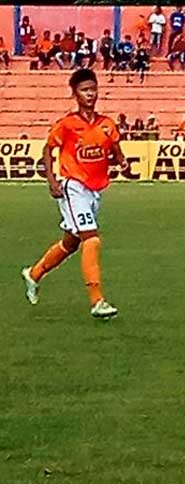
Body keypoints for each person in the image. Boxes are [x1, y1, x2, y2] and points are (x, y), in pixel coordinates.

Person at [21, 69, 127, 318]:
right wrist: (51, 180)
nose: (90, 94)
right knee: (92, 238)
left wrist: (122, 161)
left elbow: (115, 146)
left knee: (70, 242)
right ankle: (97, 300)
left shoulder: (106, 124)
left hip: (94, 189)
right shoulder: (67, 125)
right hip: (73, 186)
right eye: (84, 90)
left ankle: (33, 274)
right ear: (75, 94)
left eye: (93, 89)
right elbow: (47, 150)